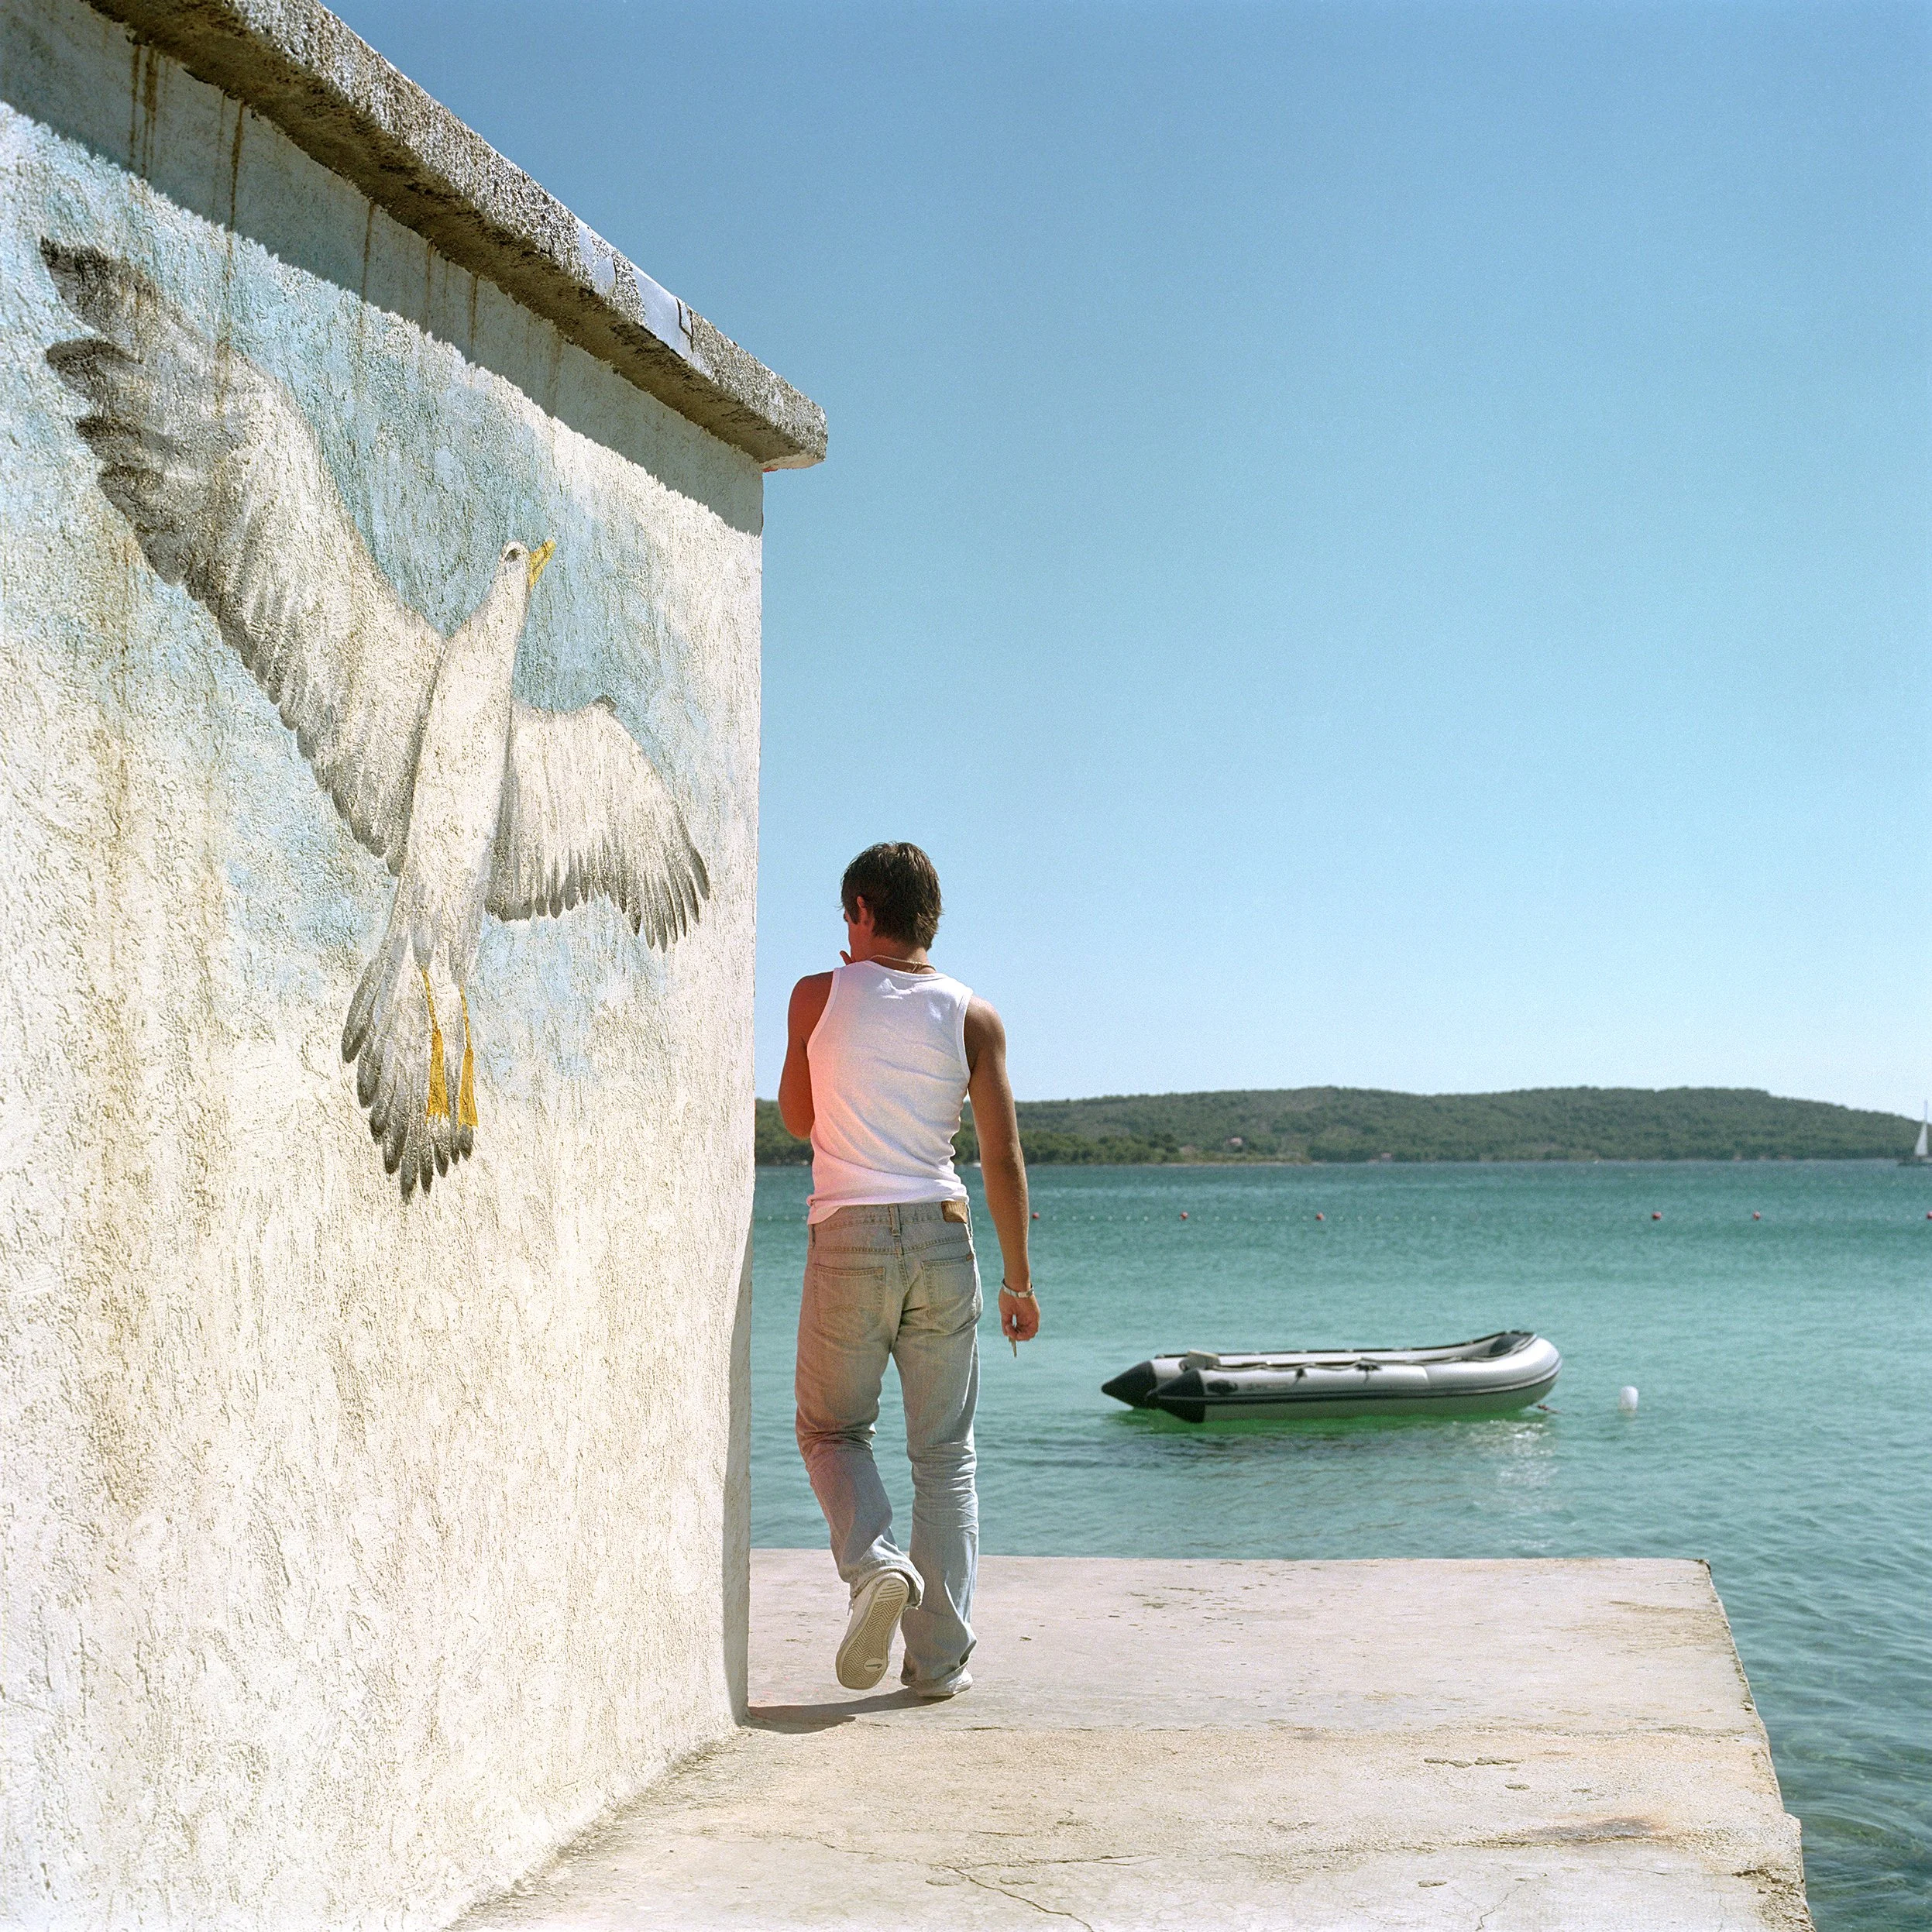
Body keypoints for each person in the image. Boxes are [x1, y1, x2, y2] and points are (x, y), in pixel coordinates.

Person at [778, 841, 1037, 1699]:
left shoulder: (817, 995)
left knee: (831, 1430)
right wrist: (1018, 1280)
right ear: (930, 919)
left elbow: (795, 1118)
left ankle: (874, 1563)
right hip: (942, 1234)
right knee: (945, 1457)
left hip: (846, 1231)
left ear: (859, 909)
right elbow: (1001, 1156)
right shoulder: (974, 1015)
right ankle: (937, 1664)